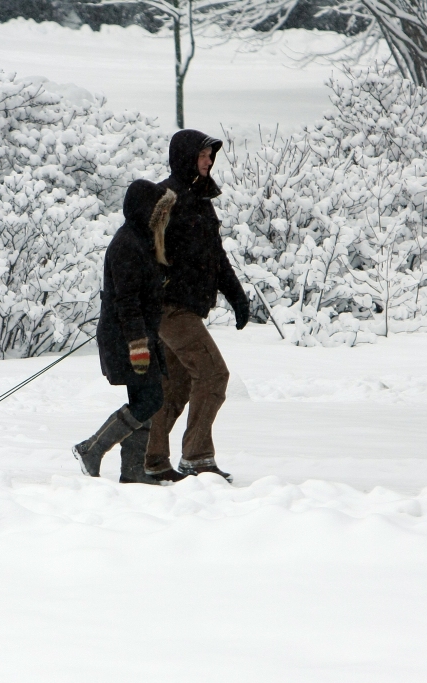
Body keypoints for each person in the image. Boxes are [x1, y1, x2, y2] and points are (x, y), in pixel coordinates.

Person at [143, 129, 250, 484]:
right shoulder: (166, 198)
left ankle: (153, 459)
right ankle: (197, 457)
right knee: (214, 374)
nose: (209, 161)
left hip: (185, 307)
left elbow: (215, 256)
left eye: (210, 155)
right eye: (203, 155)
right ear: (187, 156)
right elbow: (141, 250)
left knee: (175, 387)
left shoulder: (200, 201)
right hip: (170, 308)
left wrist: (236, 295)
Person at [72, 179, 183, 484]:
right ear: (145, 212)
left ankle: (133, 471)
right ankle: (91, 449)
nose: (165, 220)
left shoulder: (142, 242)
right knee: (149, 400)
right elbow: (127, 301)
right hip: (127, 336)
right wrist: (138, 345)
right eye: (161, 213)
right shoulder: (127, 244)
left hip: (138, 334)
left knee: (146, 396)